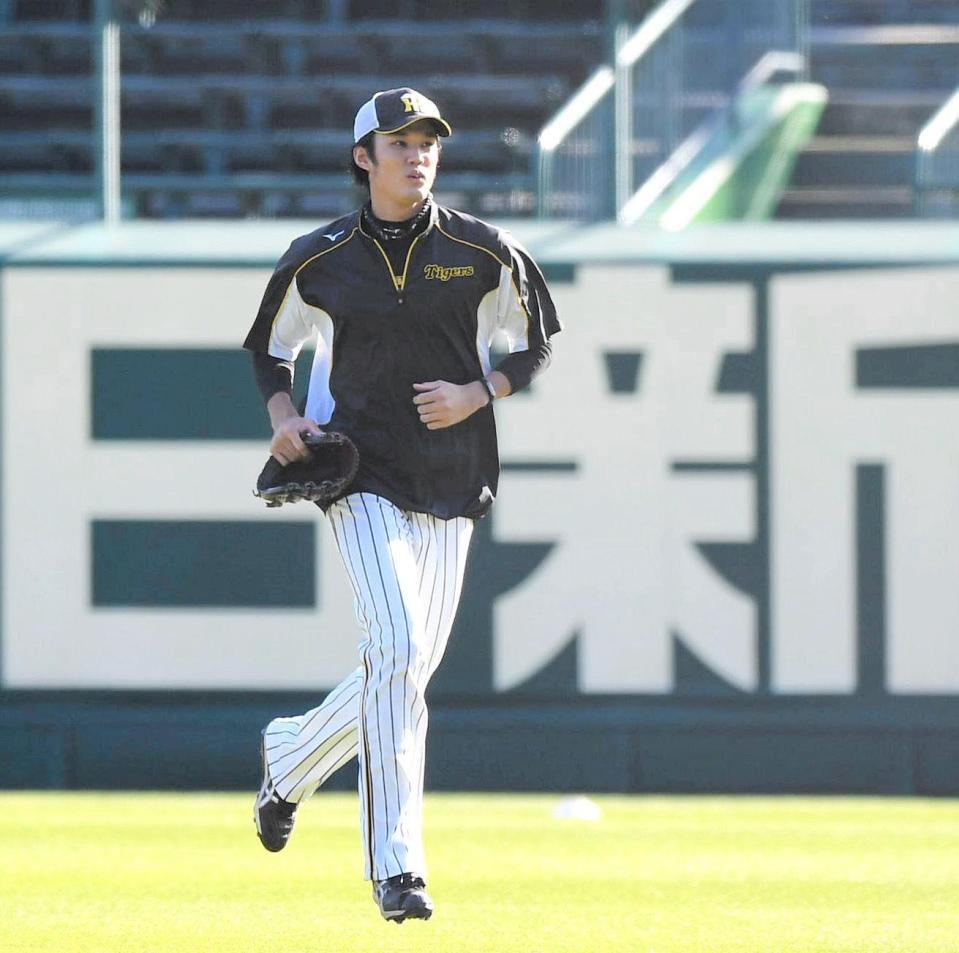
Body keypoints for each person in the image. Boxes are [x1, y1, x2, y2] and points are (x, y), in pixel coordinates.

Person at [243, 87, 560, 924]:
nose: (417, 155)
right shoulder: (321, 257)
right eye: (398, 143)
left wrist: (479, 389)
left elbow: (535, 345)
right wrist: (283, 422)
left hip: (452, 477)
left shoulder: (482, 249)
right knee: (401, 644)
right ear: (363, 159)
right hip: (358, 470)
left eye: (427, 143)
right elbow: (270, 352)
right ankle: (398, 866)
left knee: (404, 667)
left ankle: (290, 755)